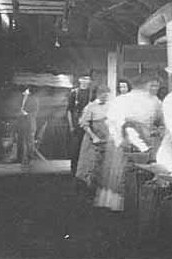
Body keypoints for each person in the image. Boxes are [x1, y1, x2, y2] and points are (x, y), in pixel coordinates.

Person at [95, 72, 164, 211]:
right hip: (125, 138)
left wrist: (157, 130)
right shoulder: (123, 100)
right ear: (142, 86)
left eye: (157, 86)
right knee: (121, 172)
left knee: (144, 173)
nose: (154, 89)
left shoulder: (156, 101)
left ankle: (141, 204)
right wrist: (119, 140)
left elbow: (160, 120)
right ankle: (121, 205)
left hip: (147, 140)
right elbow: (112, 122)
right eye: (152, 85)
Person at [75, 85, 111, 191]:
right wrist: (94, 137)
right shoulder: (90, 107)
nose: (106, 95)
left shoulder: (109, 106)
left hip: (106, 139)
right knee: (91, 166)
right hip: (93, 140)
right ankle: (89, 190)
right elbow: (84, 124)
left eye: (107, 93)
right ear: (98, 94)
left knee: (104, 167)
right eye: (103, 93)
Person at [67, 74, 97, 175]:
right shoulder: (74, 93)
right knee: (75, 149)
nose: (85, 81)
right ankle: (74, 171)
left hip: (88, 124)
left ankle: (85, 172)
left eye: (87, 79)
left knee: (88, 149)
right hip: (76, 124)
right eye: (83, 79)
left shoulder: (91, 94)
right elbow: (69, 110)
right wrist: (71, 125)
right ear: (79, 80)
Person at [19, 85, 39, 167]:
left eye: (26, 91)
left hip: (30, 123)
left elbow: (35, 112)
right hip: (23, 124)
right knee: (23, 142)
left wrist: (26, 114)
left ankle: (30, 159)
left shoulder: (34, 99)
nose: (24, 93)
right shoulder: (22, 99)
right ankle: (23, 160)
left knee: (30, 142)